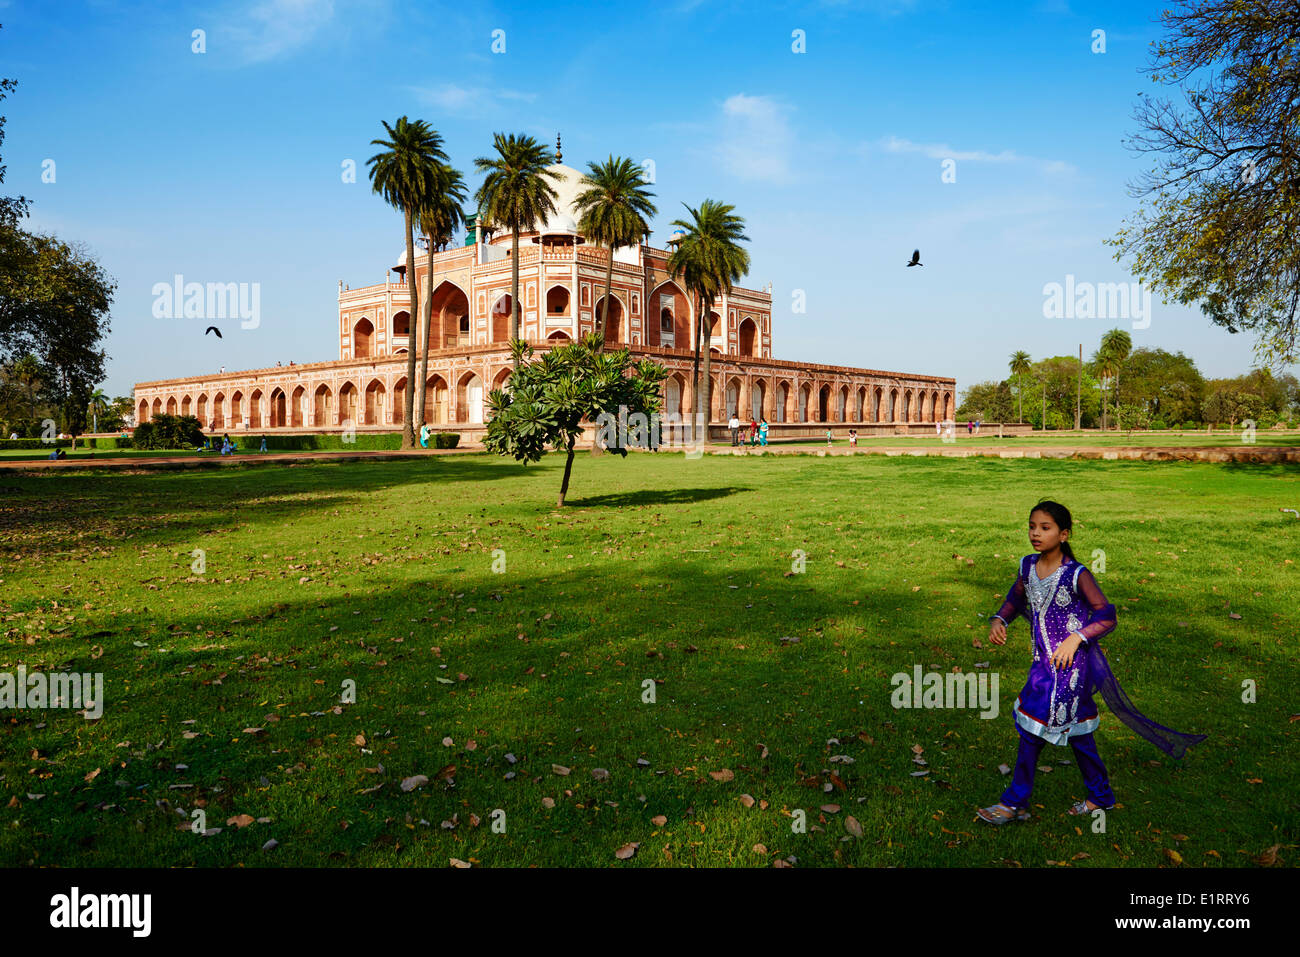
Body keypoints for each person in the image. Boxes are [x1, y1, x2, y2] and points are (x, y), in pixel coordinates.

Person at [976, 500, 1206, 825]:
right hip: (1042, 665)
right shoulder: (1027, 566)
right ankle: (1095, 796)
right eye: (1032, 526)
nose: (1036, 534)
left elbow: (1106, 615)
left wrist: (1076, 638)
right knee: (1062, 733)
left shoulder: (1076, 574)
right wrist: (1000, 619)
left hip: (1071, 670)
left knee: (1043, 731)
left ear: (1064, 533)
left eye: (1045, 528)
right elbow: (1016, 598)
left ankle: (1018, 802)